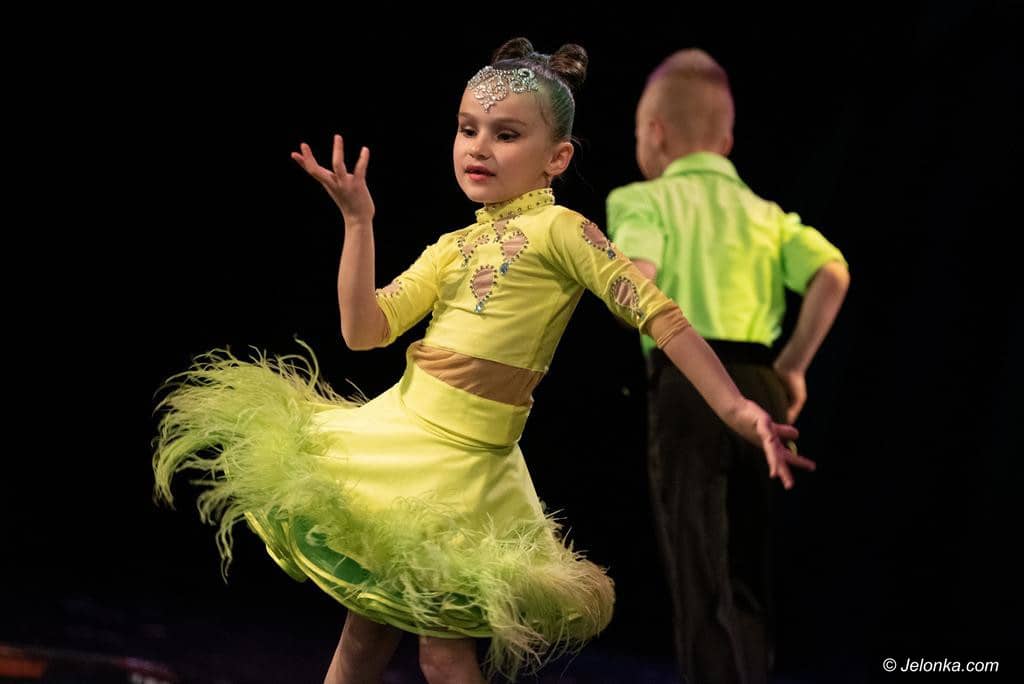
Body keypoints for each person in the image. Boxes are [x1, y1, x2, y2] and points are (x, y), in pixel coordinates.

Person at [154, 38, 811, 683]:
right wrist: (359, 224)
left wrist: (737, 408)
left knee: (442, 656)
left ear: (557, 158)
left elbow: (660, 316)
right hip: (401, 443)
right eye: (468, 128)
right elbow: (364, 331)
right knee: (363, 634)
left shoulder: (563, 231)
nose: (478, 147)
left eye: (506, 134)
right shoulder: (453, 247)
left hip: (467, 474)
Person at [606, 49, 850, 684]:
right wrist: (793, 366)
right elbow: (832, 273)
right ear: (727, 142)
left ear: (654, 132)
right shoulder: (765, 214)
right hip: (762, 386)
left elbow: (640, 283)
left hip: (689, 384)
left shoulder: (644, 199)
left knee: (697, 567)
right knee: (745, 565)